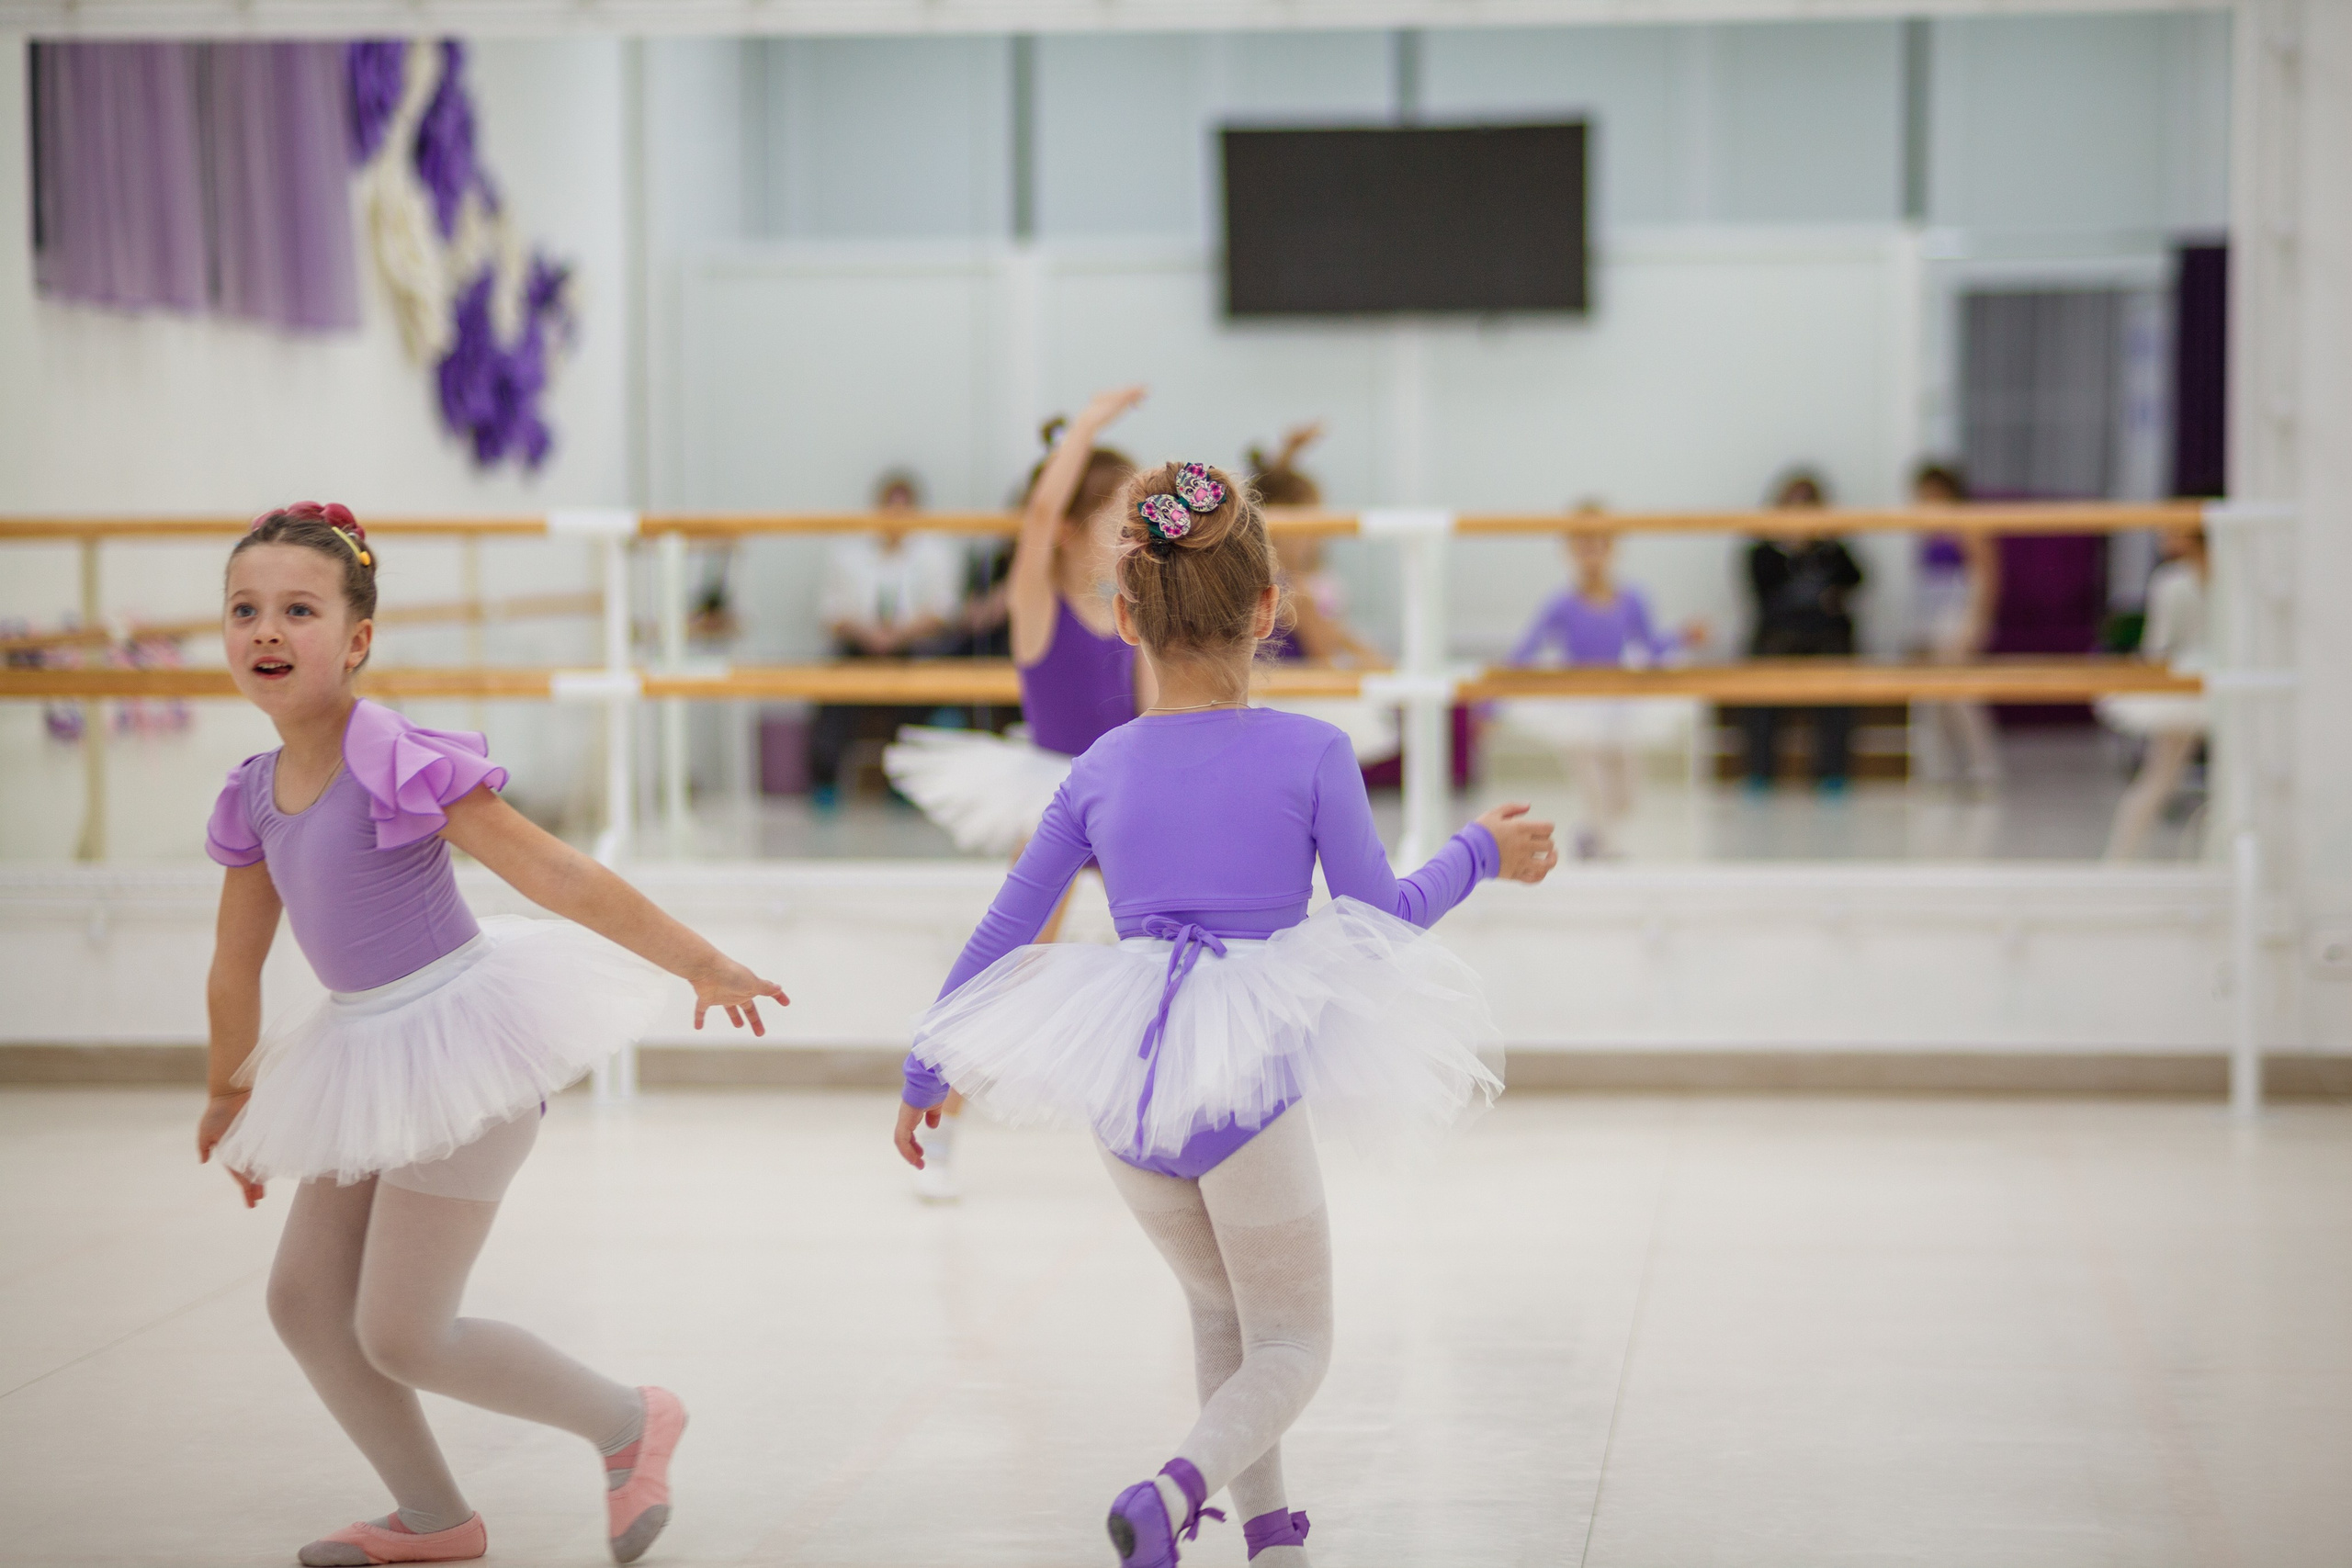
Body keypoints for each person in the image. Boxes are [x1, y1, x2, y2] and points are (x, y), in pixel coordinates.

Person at [891, 461, 1558, 1568]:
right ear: (1266, 609)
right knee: (1294, 1341)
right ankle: (1170, 1492)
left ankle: (1268, 1540)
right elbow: (1380, 922)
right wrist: (1479, 851)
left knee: (1221, 1314)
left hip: (1123, 1073)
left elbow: (1002, 931)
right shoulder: (1312, 752)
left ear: (1125, 618)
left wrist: (927, 1068)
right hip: (1244, 1072)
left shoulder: (1096, 768)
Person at [198, 504, 788, 1567]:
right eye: (245, 610)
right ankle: (435, 1518)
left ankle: (630, 1421)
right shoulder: (253, 793)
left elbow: (552, 870)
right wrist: (231, 1094)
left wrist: (699, 962)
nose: (267, 630)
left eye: (299, 610)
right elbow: (234, 965)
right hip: (359, 1055)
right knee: (303, 1302)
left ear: (358, 639)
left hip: (459, 1047)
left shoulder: (388, 753)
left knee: (405, 1331)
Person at [883, 387, 1150, 1200]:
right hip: (1055, 799)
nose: (1129, 540)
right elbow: (1035, 519)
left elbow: (1154, 716)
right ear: (1069, 530)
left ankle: (1178, 1124)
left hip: (1129, 797)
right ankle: (941, 1130)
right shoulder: (1038, 603)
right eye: (1114, 524)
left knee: (1170, 958)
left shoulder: (1137, 615)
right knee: (1009, 970)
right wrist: (1086, 430)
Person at [1501, 524, 1705, 858]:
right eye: (1582, 547)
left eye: (1598, 546)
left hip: (1618, 705)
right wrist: (1492, 698)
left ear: (1612, 549)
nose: (1591, 556)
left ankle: (1590, 836)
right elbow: (1526, 650)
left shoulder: (1632, 600)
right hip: (1576, 708)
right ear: (1569, 552)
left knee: (1626, 796)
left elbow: (1651, 647)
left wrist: (1683, 637)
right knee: (1595, 790)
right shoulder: (1561, 605)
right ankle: (1605, 849)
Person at [807, 471, 966, 808]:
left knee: (922, 687)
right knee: (834, 687)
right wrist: (870, 635)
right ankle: (825, 779)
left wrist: (899, 635)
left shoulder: (934, 551)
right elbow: (832, 612)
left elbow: (944, 611)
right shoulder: (848, 552)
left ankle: (904, 783)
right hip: (859, 646)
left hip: (914, 647)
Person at [1246, 423, 1398, 766]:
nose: (1317, 533)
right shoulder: (1292, 591)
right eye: (1311, 523)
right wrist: (1368, 668)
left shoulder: (1298, 581)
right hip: (1290, 697)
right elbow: (1327, 651)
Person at [1739, 470, 1865, 792]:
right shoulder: (1763, 552)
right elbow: (1764, 599)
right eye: (1792, 505)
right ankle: (1759, 774)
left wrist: (1824, 546)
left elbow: (1857, 580)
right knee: (1760, 681)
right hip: (1779, 639)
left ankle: (1833, 774)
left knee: (1837, 681)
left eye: (1807, 506)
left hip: (1826, 640)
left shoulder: (1831, 551)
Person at [2098, 525, 2210, 859]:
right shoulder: (2184, 580)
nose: (2163, 538)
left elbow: (2157, 646)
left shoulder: (2172, 582)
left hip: (2190, 684)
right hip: (2205, 685)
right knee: (2164, 777)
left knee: (2159, 778)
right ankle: (2121, 858)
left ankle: (2119, 858)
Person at [1910, 463, 2002, 795]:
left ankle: (1983, 768)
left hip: (1959, 615)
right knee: (1930, 697)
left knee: (1962, 695)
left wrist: (1976, 623)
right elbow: (1925, 584)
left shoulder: (1968, 523)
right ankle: (1939, 770)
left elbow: (1987, 576)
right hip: (1931, 615)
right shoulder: (1926, 529)